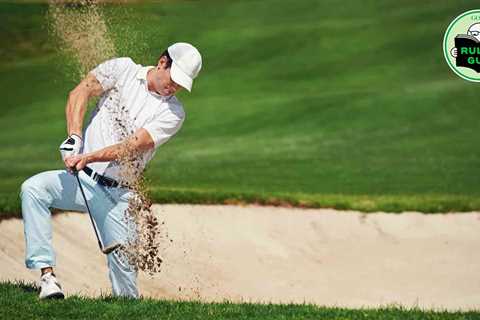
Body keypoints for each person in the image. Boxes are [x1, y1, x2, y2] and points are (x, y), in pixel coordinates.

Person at [20, 42, 202, 299]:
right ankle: (47, 277)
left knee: (126, 291)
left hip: (120, 198)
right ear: (162, 62)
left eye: (182, 84)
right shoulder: (123, 69)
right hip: (81, 181)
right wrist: (74, 136)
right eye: (174, 79)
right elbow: (80, 92)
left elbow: (134, 146)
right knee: (34, 189)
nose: (175, 87)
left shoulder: (174, 112)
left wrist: (88, 156)